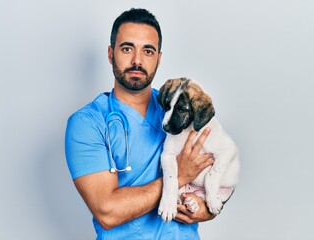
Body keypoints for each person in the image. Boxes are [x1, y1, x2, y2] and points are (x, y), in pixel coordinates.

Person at [65, 8, 216, 239]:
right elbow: (107, 211)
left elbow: (212, 171)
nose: (137, 60)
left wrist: (209, 208)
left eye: (148, 51)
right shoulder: (87, 123)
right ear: (110, 53)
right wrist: (180, 176)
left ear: (159, 58)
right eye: (127, 48)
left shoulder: (178, 109)